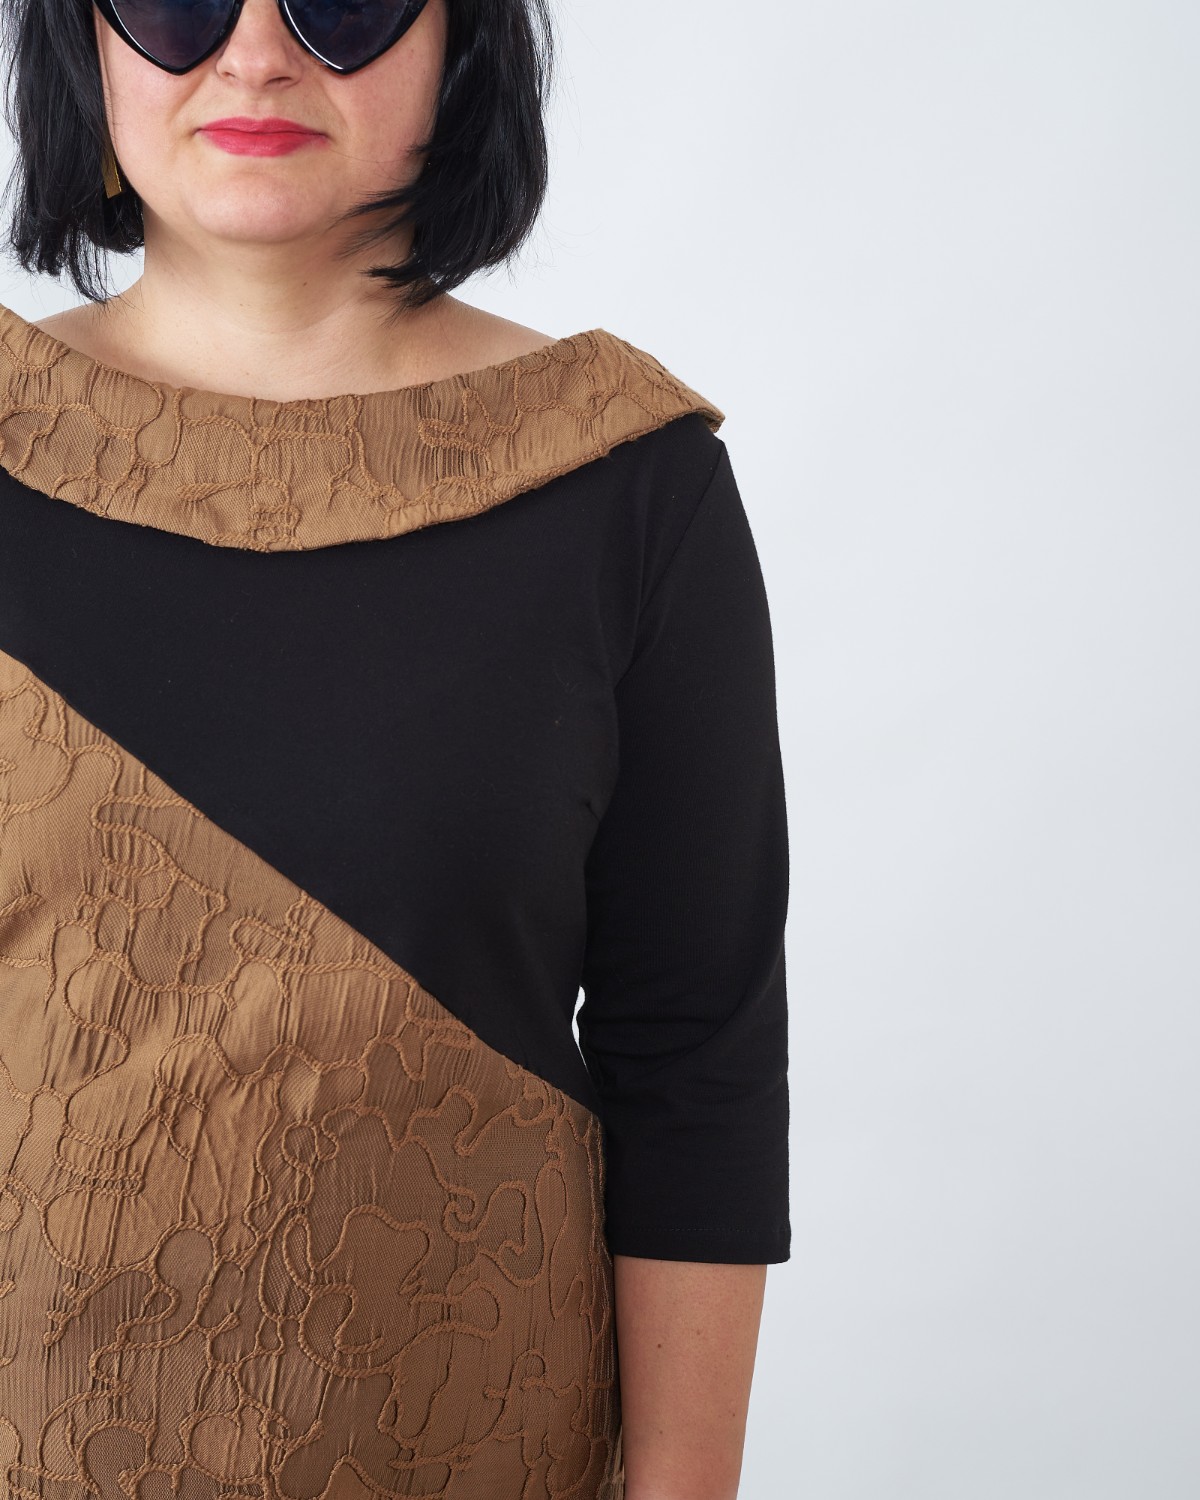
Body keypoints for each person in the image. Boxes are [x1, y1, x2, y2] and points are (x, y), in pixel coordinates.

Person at [0, 2, 790, 1497]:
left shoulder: (624, 489)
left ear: (462, 43)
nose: (254, 55)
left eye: (344, 0)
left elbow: (696, 1056)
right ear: (77, 43)